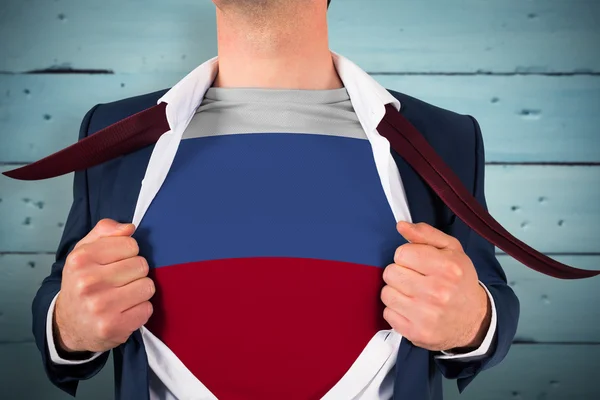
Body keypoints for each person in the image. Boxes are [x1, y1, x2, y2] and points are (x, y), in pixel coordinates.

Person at [29, 0, 519, 399]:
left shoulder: (445, 138)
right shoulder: (111, 133)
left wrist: (473, 320)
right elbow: (63, 291)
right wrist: (69, 324)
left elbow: (489, 298)